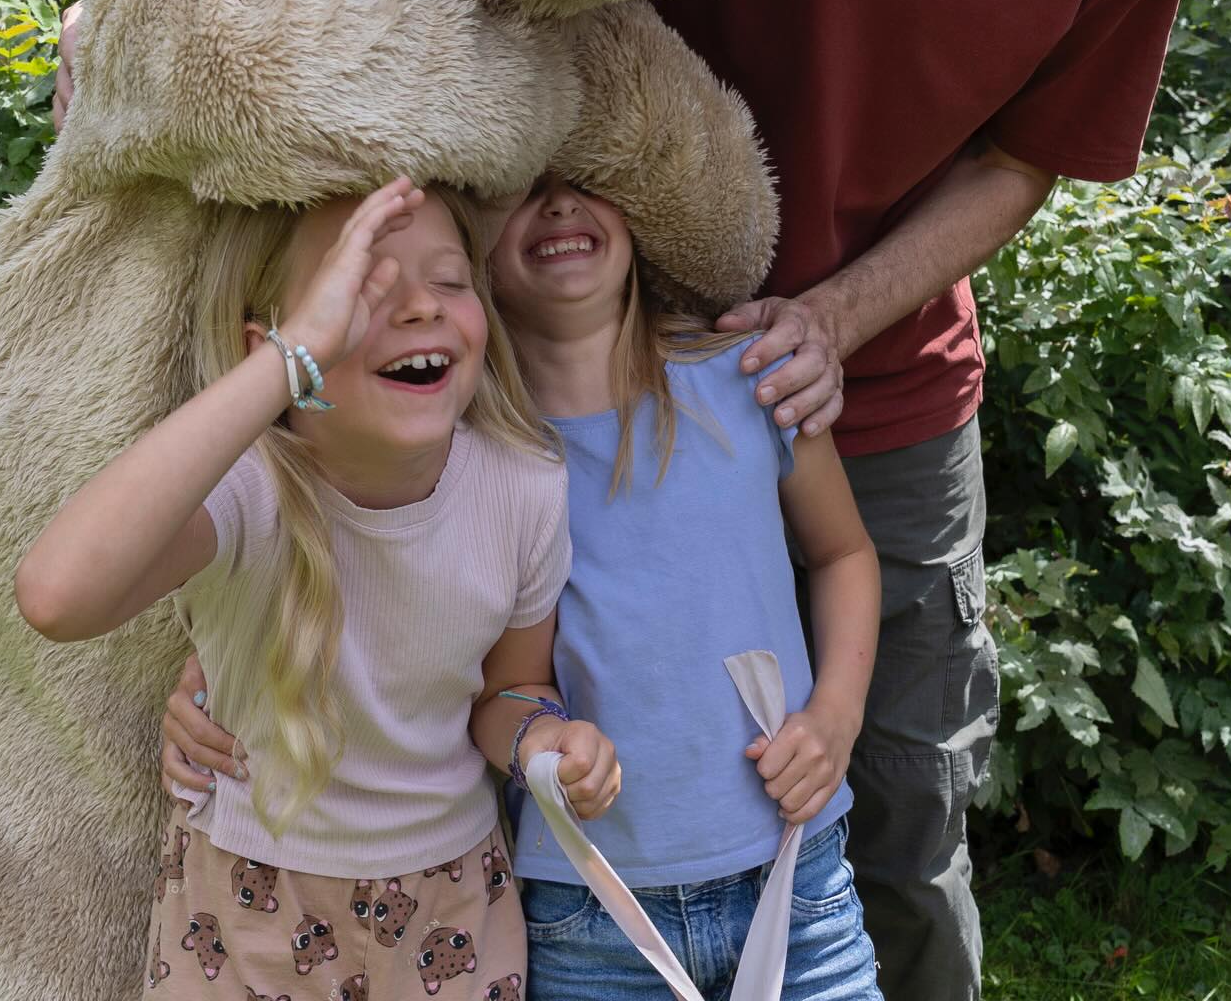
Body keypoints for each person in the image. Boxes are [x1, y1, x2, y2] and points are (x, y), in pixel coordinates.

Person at [658, 0, 1205, 1001]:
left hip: (887, 390)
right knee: (580, 774)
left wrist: (833, 320)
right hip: (608, 367)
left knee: (898, 809)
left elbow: (1025, 156)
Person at [165, 176, 883, 1001]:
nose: (562, 205)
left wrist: (836, 714)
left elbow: (843, 554)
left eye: (597, 179)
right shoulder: (458, 450)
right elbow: (365, 582)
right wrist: (211, 672)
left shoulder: (754, 379)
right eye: (528, 189)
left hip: (798, 880)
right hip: (587, 910)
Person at [15, 176, 619, 1000]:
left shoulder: (524, 490)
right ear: (275, 347)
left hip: (452, 902)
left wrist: (543, 743)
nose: (420, 308)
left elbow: (513, 686)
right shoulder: (244, 492)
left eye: (450, 280)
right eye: (362, 287)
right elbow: (56, 596)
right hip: (241, 907)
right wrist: (290, 361)